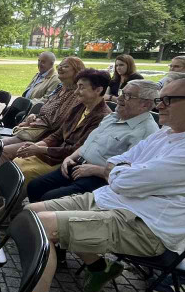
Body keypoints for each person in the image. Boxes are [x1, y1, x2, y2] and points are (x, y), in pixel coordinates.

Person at [17, 75, 185, 292]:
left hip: (145, 226)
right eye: (159, 99)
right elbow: (120, 161)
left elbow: (124, 179)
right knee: (28, 213)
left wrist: (120, 171)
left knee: (41, 226)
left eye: (167, 99)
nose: (159, 105)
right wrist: (120, 170)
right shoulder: (169, 134)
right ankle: (98, 268)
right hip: (112, 202)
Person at [20, 79, 159, 205]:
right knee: (35, 186)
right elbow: (88, 144)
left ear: (145, 104)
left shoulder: (146, 132)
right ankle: (35, 219)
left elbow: (131, 172)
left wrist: (96, 170)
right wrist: (70, 157)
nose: (120, 98)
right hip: (77, 164)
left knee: (50, 197)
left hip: (100, 178)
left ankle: (43, 223)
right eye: (122, 92)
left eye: (128, 96)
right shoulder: (113, 117)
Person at [7, 69, 111, 183]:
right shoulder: (79, 107)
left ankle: (10, 198)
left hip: (68, 161)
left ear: (98, 90)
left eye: (81, 87)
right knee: (17, 162)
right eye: (77, 87)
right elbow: (59, 134)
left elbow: (77, 150)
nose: (76, 92)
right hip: (54, 155)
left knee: (25, 173)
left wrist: (40, 149)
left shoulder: (103, 118)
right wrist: (35, 146)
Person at [2, 56, 85, 150]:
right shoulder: (60, 89)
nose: (60, 68)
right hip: (35, 132)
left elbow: (57, 122)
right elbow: (46, 109)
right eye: (60, 65)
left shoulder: (75, 95)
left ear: (77, 71)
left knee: (4, 151)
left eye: (65, 66)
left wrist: (36, 122)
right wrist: (34, 116)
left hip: (46, 138)